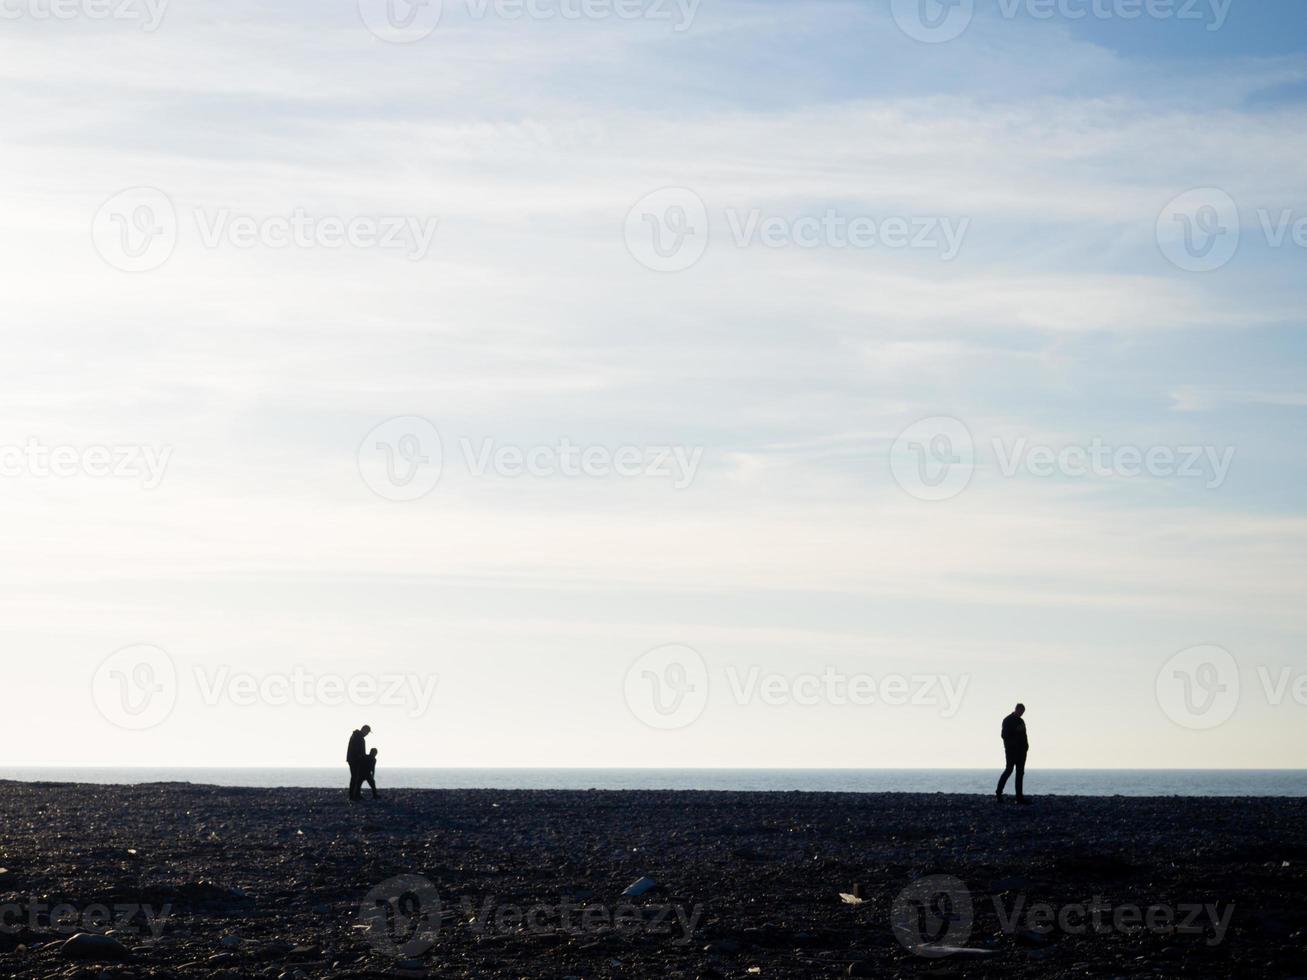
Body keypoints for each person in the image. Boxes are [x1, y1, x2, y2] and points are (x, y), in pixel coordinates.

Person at [995, 704, 1030, 804]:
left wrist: (1026, 746)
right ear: (1016, 709)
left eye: (1023, 712)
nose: (1021, 714)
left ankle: (1019, 797)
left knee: (1020, 773)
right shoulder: (1007, 720)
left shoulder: (1021, 721)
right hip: (1011, 751)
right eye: (1020, 711)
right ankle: (998, 793)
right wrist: (1015, 732)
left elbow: (1024, 735)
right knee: (1009, 770)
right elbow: (1004, 735)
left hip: (1022, 751)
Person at [346, 725, 372, 801]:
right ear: (364, 730)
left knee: (357, 777)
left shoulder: (356, 736)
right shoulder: (359, 737)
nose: (367, 734)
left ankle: (355, 795)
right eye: (367, 732)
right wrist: (361, 757)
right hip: (355, 760)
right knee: (355, 777)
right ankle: (353, 796)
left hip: (353, 759)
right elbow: (358, 750)